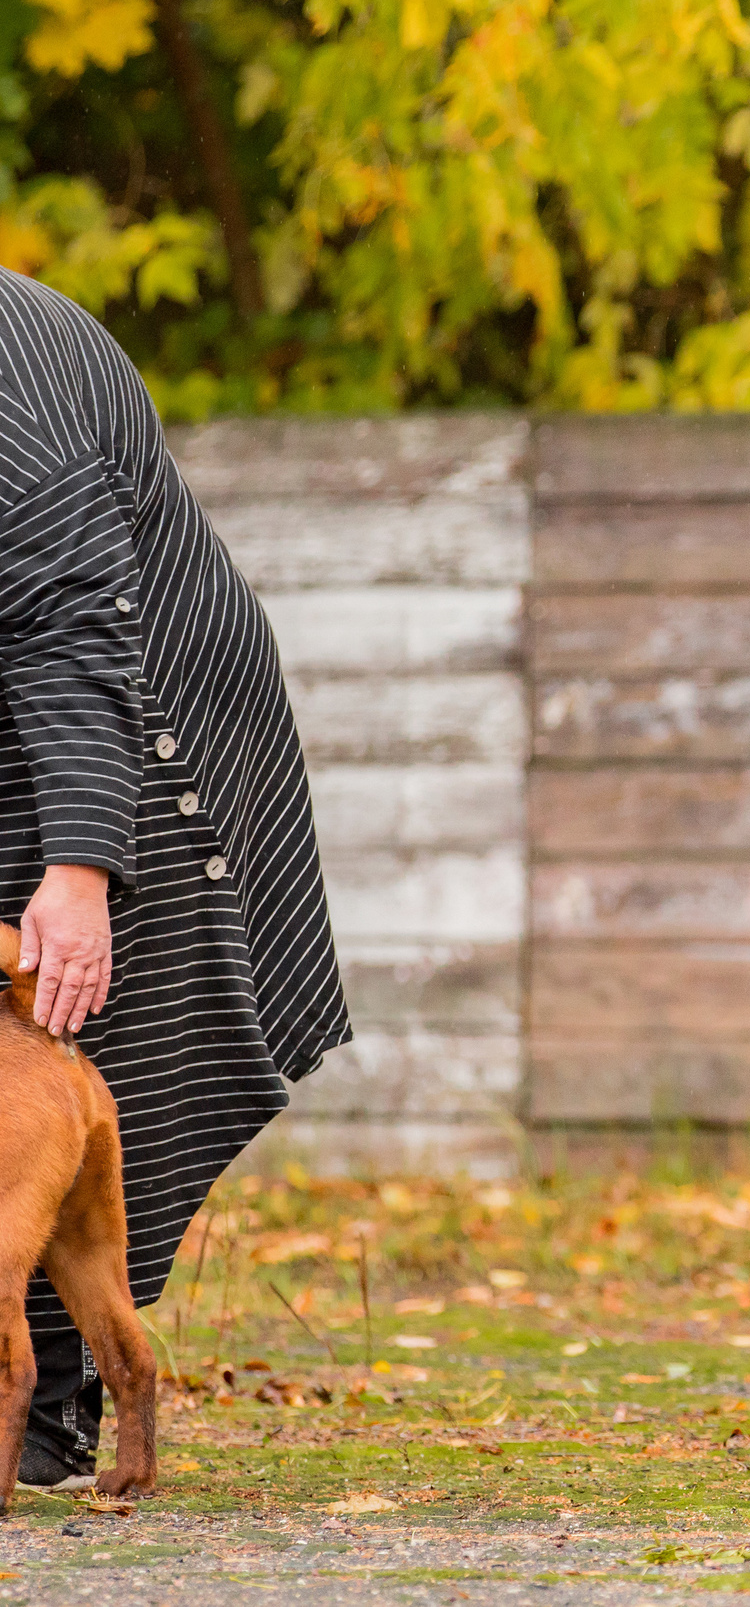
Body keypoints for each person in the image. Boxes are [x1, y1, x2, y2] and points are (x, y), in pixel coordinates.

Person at [0, 269, 352, 1486]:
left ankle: (44, 1414)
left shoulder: (12, 386)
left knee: (73, 1034)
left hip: (145, 717)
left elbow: (66, 628)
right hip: (39, 708)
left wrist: (84, 865)